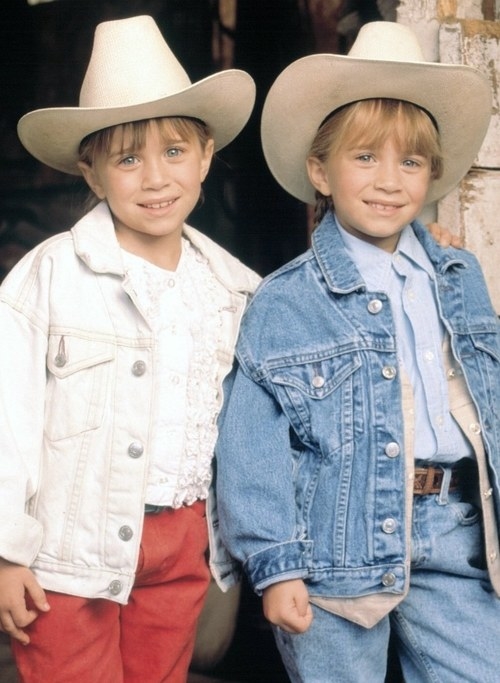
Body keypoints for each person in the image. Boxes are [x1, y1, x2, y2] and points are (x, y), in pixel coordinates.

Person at [216, 20, 500, 683]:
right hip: (333, 545)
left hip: (456, 527)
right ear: (321, 169)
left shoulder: (459, 279)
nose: (388, 179)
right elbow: (251, 445)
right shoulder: (285, 301)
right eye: (364, 157)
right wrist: (276, 563)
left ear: (432, 173)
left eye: (410, 161)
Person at [0, 15, 260, 683]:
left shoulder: (234, 290)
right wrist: (6, 553)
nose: (155, 178)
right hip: (68, 545)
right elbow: (9, 421)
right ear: (91, 171)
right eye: (127, 158)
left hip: (183, 540)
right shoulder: (48, 277)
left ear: (205, 155)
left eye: (174, 152)